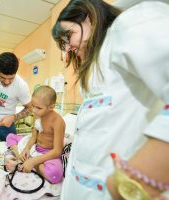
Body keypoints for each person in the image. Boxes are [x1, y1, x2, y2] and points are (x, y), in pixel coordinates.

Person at [52, 0, 169, 199]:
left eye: (68, 36)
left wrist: (139, 177)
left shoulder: (130, 25)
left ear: (88, 17)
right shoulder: (95, 67)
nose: (68, 48)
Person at [5, 85, 65, 184]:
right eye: (33, 105)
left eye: (38, 108)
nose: (34, 110)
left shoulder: (57, 121)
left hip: (48, 153)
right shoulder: (38, 115)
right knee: (10, 137)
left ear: (51, 107)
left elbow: (57, 151)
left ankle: (29, 163)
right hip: (35, 147)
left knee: (55, 175)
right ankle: (21, 157)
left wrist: (34, 162)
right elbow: (34, 137)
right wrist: (26, 149)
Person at [0, 52, 32, 142]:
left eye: (11, 78)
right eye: (2, 77)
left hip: (7, 126)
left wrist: (14, 117)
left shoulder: (21, 86)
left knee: (13, 152)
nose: (7, 82)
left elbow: (31, 108)